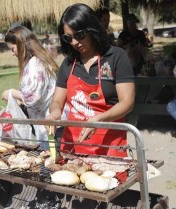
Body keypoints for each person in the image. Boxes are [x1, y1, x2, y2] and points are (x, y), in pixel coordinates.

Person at [46, 3, 135, 157]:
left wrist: (98, 119)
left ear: (92, 29)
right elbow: (57, 101)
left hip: (109, 146)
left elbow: (127, 102)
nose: (74, 42)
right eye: (68, 38)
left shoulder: (116, 57)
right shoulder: (68, 63)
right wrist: (54, 113)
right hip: (72, 146)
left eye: (79, 35)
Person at [1, 26, 59, 146]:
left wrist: (11, 93)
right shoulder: (38, 61)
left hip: (49, 125)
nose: (12, 53)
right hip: (48, 122)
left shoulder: (35, 64)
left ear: (21, 44)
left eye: (12, 49)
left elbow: (32, 97)